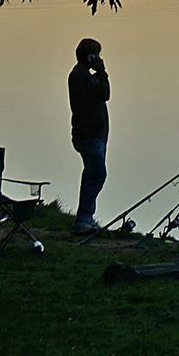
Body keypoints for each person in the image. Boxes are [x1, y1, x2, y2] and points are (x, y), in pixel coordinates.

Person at [68, 37, 110, 235]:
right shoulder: (80, 76)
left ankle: (85, 217)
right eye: (97, 54)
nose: (100, 58)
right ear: (90, 56)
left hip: (96, 134)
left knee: (91, 174)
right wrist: (101, 71)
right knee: (98, 174)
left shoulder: (84, 75)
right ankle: (84, 219)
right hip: (89, 134)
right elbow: (105, 93)